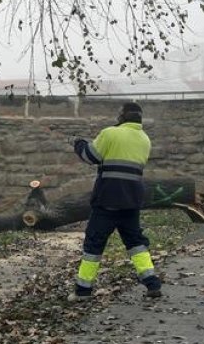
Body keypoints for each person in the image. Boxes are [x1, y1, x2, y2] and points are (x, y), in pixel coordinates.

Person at [69, 102, 162, 301]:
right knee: (136, 243)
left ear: (121, 116)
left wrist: (78, 144)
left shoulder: (110, 133)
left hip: (108, 199)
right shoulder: (145, 139)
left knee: (94, 244)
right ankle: (152, 283)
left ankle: (83, 290)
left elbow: (90, 156)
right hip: (132, 200)